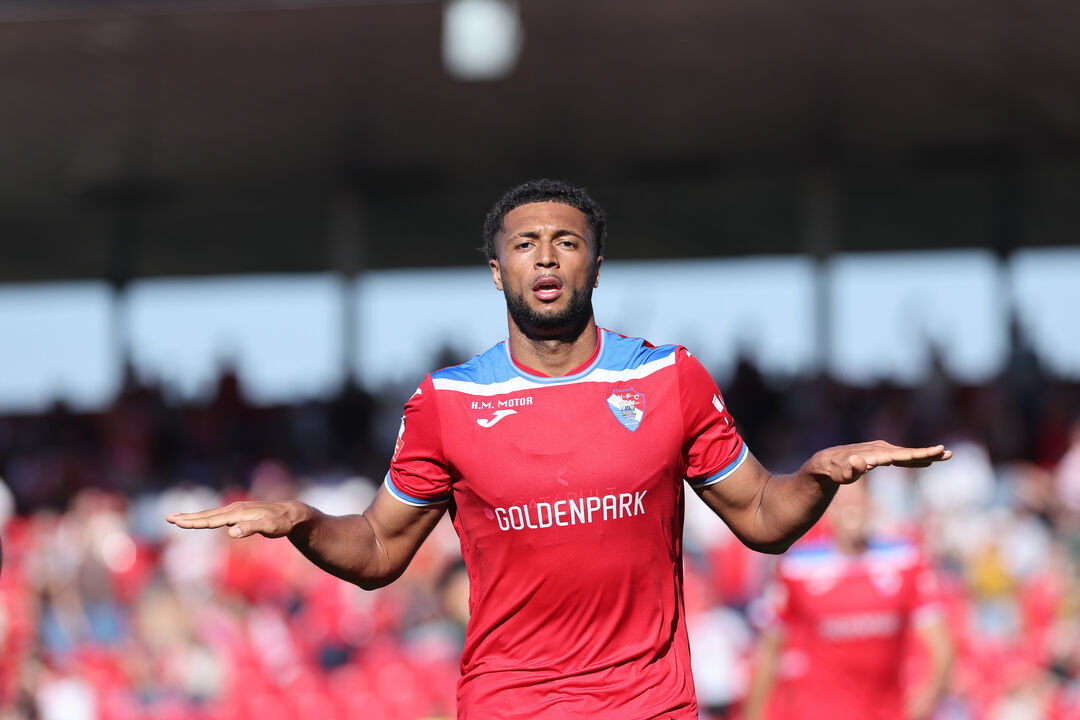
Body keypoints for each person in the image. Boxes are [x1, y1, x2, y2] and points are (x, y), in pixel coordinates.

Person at [167, 179, 952, 719]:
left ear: (595, 265)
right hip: (511, 705)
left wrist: (815, 477)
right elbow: (376, 550)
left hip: (649, 704)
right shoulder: (448, 402)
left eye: (567, 242)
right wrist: (303, 520)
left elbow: (760, 516)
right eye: (526, 244)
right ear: (497, 268)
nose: (546, 257)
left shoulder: (667, 378)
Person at [742, 480, 955, 720]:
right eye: (842, 500)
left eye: (856, 497)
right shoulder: (796, 567)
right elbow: (769, 651)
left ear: (871, 504)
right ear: (827, 511)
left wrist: (930, 695)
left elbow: (941, 645)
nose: (850, 506)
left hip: (888, 712)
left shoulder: (906, 560)